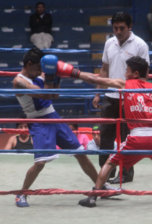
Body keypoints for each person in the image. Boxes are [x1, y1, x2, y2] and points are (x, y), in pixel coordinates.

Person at [41, 54, 152, 207]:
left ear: (135, 73)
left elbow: (96, 79)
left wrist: (72, 71)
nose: (124, 73)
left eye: (127, 70)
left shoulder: (124, 84)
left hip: (137, 138)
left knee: (110, 163)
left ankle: (93, 197)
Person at [12, 47, 99, 207]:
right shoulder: (19, 81)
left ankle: (100, 187)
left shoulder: (38, 74)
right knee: (40, 163)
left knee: (81, 153)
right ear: (29, 64)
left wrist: (57, 77)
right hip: (38, 121)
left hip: (53, 116)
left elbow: (54, 95)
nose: (40, 71)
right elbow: (44, 94)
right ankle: (21, 194)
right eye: (39, 68)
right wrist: (51, 76)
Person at [92, 11, 150, 184]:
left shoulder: (140, 45)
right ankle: (105, 173)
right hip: (110, 96)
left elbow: (144, 75)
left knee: (126, 138)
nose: (118, 31)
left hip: (130, 98)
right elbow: (104, 69)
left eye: (121, 28)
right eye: (115, 28)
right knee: (106, 137)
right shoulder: (109, 43)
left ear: (129, 27)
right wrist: (97, 92)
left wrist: (135, 95)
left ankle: (126, 174)